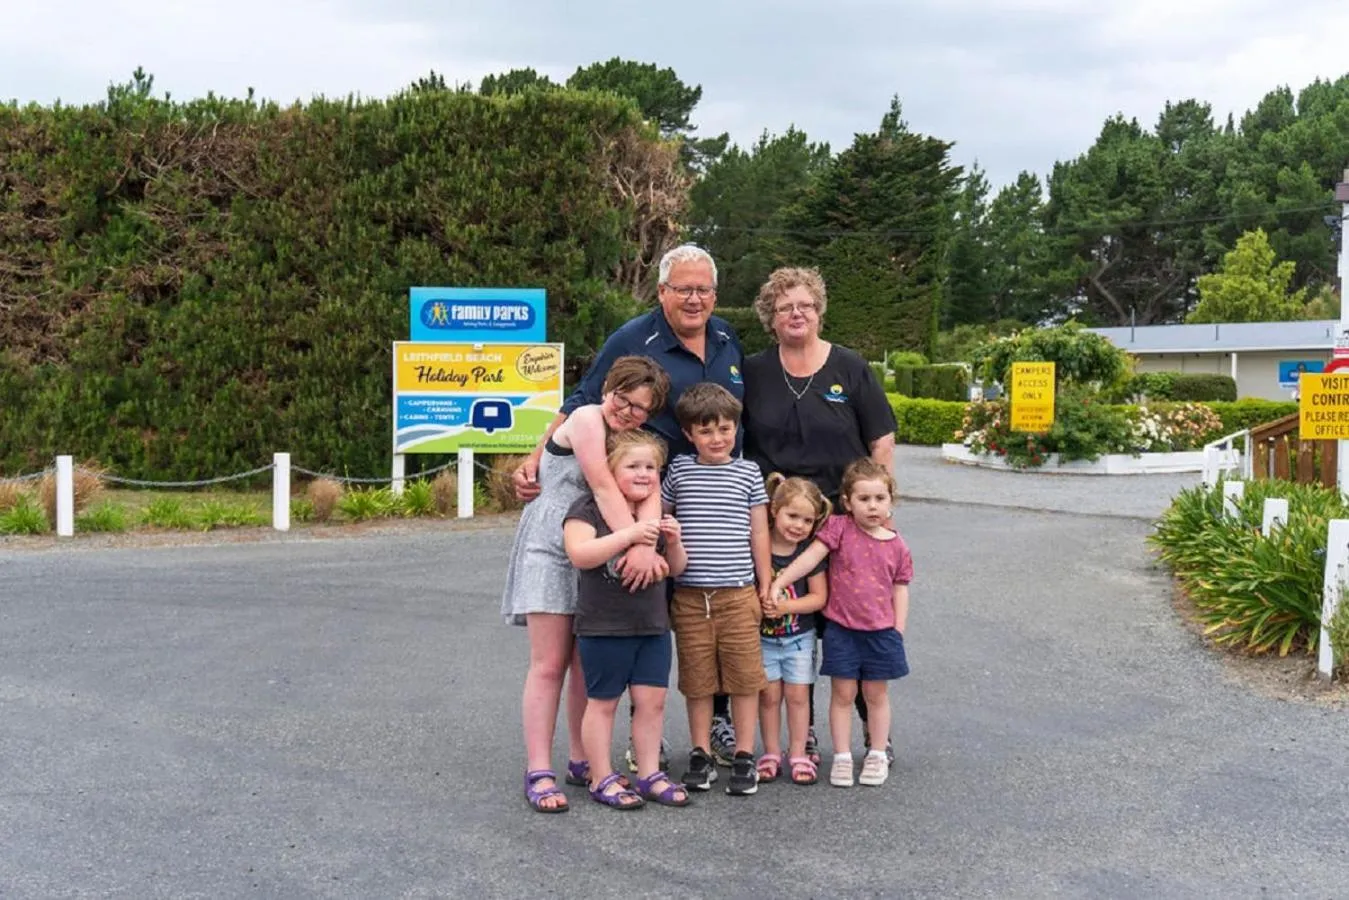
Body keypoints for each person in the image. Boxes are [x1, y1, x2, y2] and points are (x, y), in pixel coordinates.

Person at [512, 243, 747, 769]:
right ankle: (639, 743)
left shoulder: (728, 338)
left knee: (703, 611)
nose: (694, 298)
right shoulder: (632, 340)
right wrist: (536, 460)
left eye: (703, 289)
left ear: (716, 293)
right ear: (662, 291)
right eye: (682, 288)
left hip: (689, 500)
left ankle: (710, 723)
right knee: (614, 627)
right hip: (631, 504)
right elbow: (581, 405)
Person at [739, 266, 899, 765]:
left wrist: (871, 514)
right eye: (785, 306)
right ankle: (791, 736)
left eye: (805, 304)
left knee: (850, 628)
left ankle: (874, 734)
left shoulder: (850, 367)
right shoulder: (755, 370)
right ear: (770, 317)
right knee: (775, 625)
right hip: (777, 523)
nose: (796, 313)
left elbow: (882, 440)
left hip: (841, 525)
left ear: (819, 310)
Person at [502, 356, 671, 813]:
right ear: (608, 389)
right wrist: (636, 548)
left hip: (603, 555)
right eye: (623, 398)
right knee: (549, 662)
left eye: (641, 407)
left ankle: (582, 759)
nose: (628, 411)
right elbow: (600, 485)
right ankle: (538, 769)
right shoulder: (585, 418)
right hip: (555, 548)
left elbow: (652, 491)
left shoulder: (635, 441)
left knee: (586, 660)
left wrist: (645, 541)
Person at [563, 430, 690, 810]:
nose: (643, 474)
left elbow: (677, 570)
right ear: (609, 471)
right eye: (632, 466)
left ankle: (649, 772)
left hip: (652, 625)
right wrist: (631, 535)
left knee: (652, 702)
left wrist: (676, 541)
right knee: (602, 703)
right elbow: (581, 554)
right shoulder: (586, 510)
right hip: (604, 626)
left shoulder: (658, 517)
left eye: (651, 467)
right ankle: (600, 775)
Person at [770, 457, 913, 788]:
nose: (872, 506)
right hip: (842, 631)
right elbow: (808, 559)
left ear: (891, 501)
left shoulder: (898, 546)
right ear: (847, 502)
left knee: (876, 694)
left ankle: (877, 752)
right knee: (842, 693)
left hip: (881, 632)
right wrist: (779, 583)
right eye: (863, 499)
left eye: (880, 498)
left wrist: (899, 629)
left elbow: (900, 588)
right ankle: (843, 756)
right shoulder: (839, 529)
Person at [661, 382, 771, 796]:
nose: (717, 438)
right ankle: (700, 752)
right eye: (705, 431)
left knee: (744, 678)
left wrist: (765, 584)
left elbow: (759, 531)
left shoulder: (748, 472)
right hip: (690, 597)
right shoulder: (680, 471)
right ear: (689, 434)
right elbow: (661, 516)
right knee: (698, 679)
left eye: (725, 429)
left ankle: (744, 754)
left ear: (736, 430)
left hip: (738, 593)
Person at [756, 474, 830, 787]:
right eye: (792, 516)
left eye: (807, 520)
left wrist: (785, 607)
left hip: (799, 639)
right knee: (769, 698)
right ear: (774, 510)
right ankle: (771, 752)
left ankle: (798, 752)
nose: (798, 525)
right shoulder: (757, 548)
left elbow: (819, 597)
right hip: (762, 639)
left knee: (799, 697)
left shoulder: (808, 554)